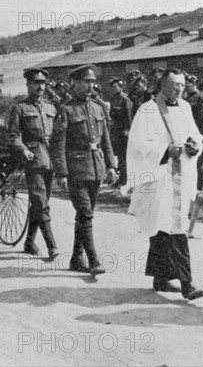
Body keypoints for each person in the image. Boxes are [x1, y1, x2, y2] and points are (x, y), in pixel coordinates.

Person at [127, 68, 203, 300]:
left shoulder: (185, 107)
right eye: (174, 85)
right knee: (173, 228)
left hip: (182, 174)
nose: (179, 89)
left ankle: (160, 278)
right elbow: (138, 144)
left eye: (182, 85)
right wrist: (164, 150)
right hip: (160, 176)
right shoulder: (148, 110)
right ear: (162, 86)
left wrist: (195, 146)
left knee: (167, 227)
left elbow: (196, 135)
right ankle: (187, 284)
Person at [54, 64, 117, 276]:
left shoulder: (98, 108)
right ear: (75, 83)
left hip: (96, 167)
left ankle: (75, 258)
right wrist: (62, 173)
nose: (91, 85)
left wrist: (111, 165)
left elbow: (106, 140)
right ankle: (93, 260)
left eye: (92, 81)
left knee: (84, 216)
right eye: (87, 82)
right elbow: (59, 144)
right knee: (85, 213)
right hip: (76, 169)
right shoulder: (66, 110)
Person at [8, 68, 59, 259]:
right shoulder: (20, 108)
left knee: (41, 203)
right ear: (28, 85)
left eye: (43, 83)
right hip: (34, 159)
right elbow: (13, 136)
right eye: (36, 83)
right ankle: (52, 245)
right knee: (40, 202)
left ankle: (29, 242)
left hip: (50, 159)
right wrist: (24, 150)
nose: (40, 87)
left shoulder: (50, 107)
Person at [108, 78, 133, 187]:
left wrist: (129, 131)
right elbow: (111, 114)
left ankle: (126, 179)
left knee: (125, 156)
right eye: (112, 87)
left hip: (124, 132)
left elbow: (129, 117)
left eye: (115, 87)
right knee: (119, 156)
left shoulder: (125, 99)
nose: (113, 89)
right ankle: (121, 178)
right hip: (117, 131)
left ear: (121, 87)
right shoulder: (114, 99)